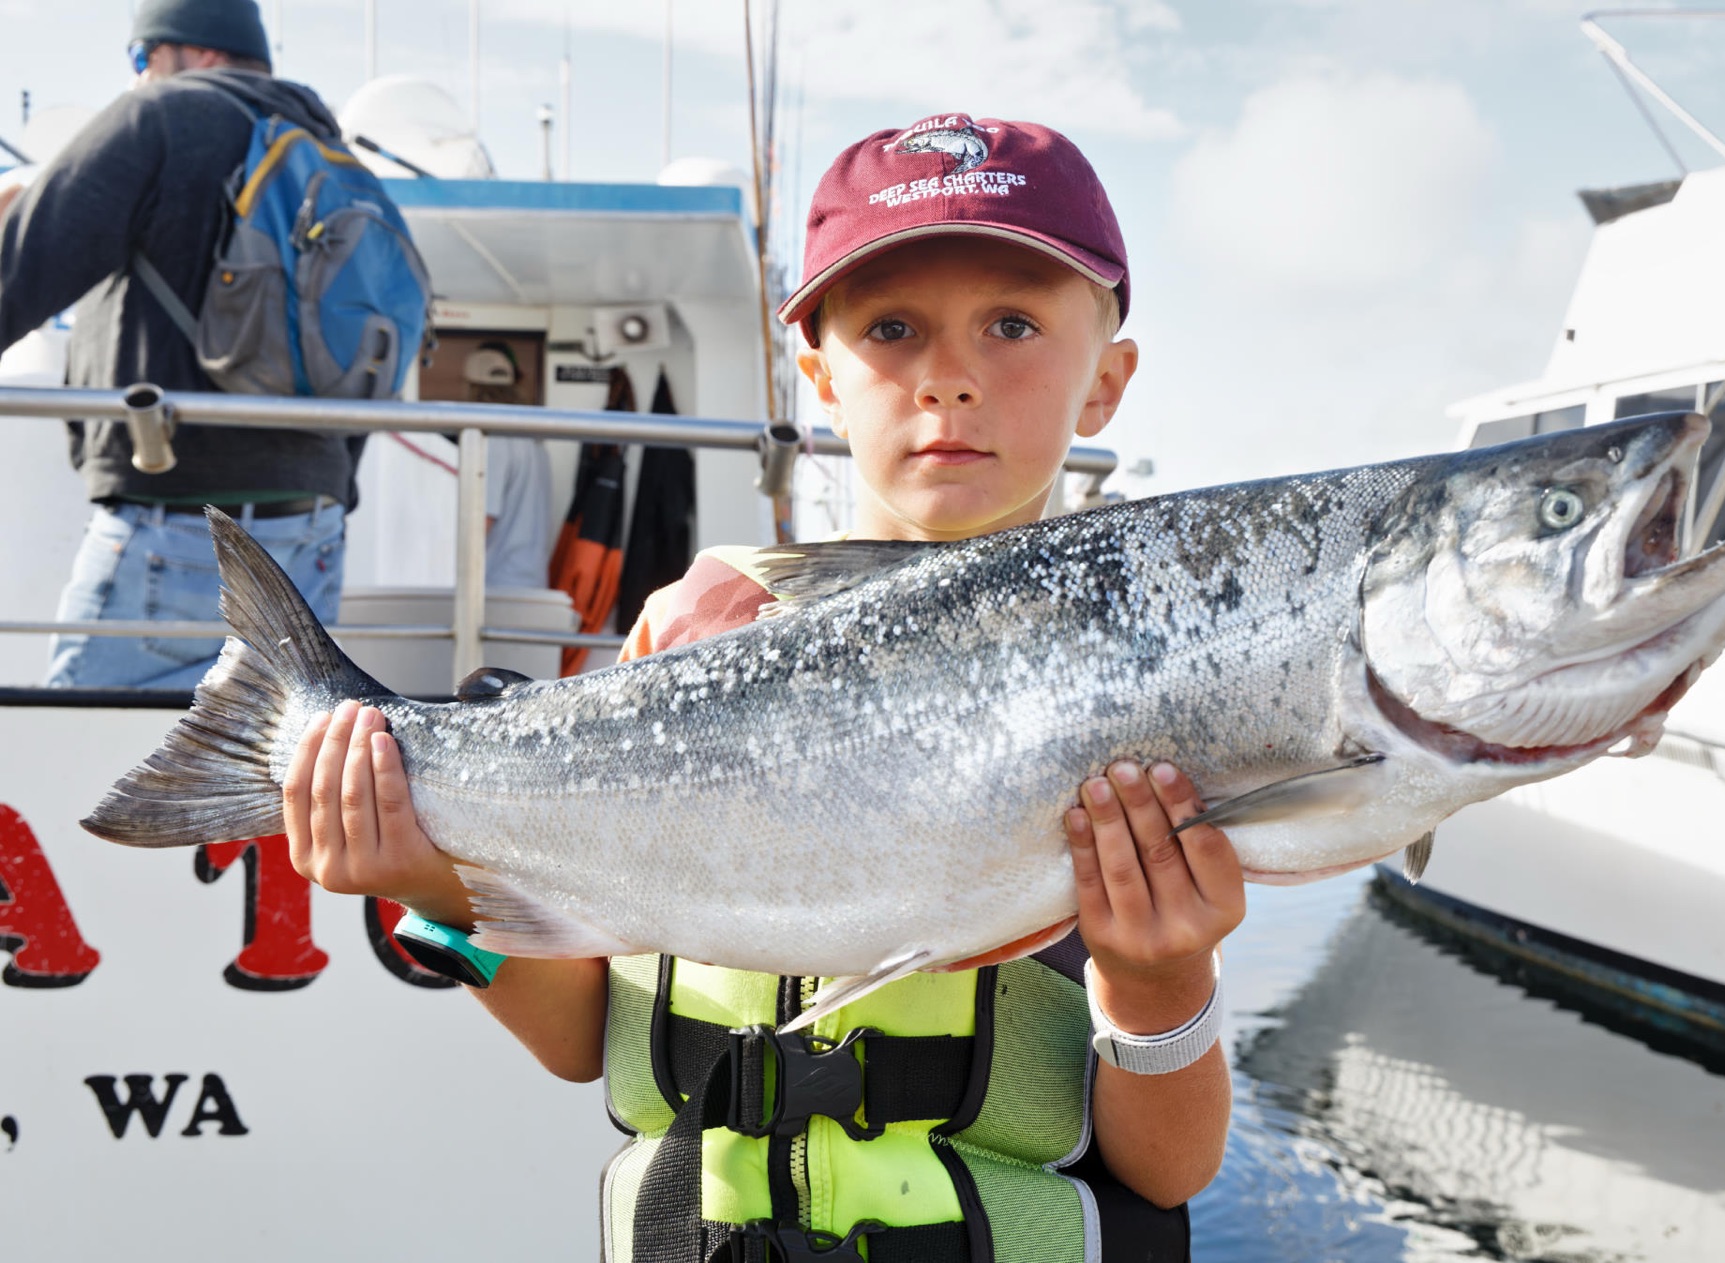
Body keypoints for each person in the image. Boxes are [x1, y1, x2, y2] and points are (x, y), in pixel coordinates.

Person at [281, 113, 1242, 1260]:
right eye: (892, 328)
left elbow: (1171, 1166)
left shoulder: (1139, 669)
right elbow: (590, 1038)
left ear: (1108, 379)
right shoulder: (687, 631)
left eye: (1014, 325)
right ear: (821, 374)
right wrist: (437, 892)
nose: (947, 379)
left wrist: (1160, 974)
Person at [0, 0, 360, 690]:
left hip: (174, 529)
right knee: (248, 781)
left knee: (75, 765)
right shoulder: (327, 147)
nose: (138, 79)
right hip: (314, 531)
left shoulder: (161, 118)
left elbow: (20, 267)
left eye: (140, 59)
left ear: (191, 53)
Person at [461, 341, 555, 591]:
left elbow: (482, 520)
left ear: (473, 389)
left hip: (497, 585)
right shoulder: (535, 442)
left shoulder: (492, 440)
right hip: (532, 581)